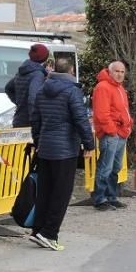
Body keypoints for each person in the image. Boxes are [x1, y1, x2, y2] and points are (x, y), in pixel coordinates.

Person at [28, 59, 95, 250]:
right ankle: (49, 233)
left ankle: (38, 230)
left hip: (46, 148)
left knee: (45, 191)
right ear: (71, 71)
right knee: (62, 193)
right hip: (65, 149)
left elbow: (35, 118)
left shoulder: (42, 89)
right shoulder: (72, 91)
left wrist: (38, 140)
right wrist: (88, 143)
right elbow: (80, 118)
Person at [91, 60, 133, 211]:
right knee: (105, 167)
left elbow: (123, 111)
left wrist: (127, 127)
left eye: (122, 71)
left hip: (120, 133)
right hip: (112, 134)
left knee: (115, 167)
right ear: (110, 71)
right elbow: (102, 114)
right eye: (117, 71)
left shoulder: (119, 88)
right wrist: (112, 131)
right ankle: (100, 199)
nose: (120, 74)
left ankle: (111, 196)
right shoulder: (103, 87)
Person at [4, 43, 49, 127]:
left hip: (19, 119)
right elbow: (33, 98)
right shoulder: (37, 74)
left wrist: (19, 103)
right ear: (44, 58)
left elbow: (8, 88)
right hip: (29, 124)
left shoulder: (22, 72)